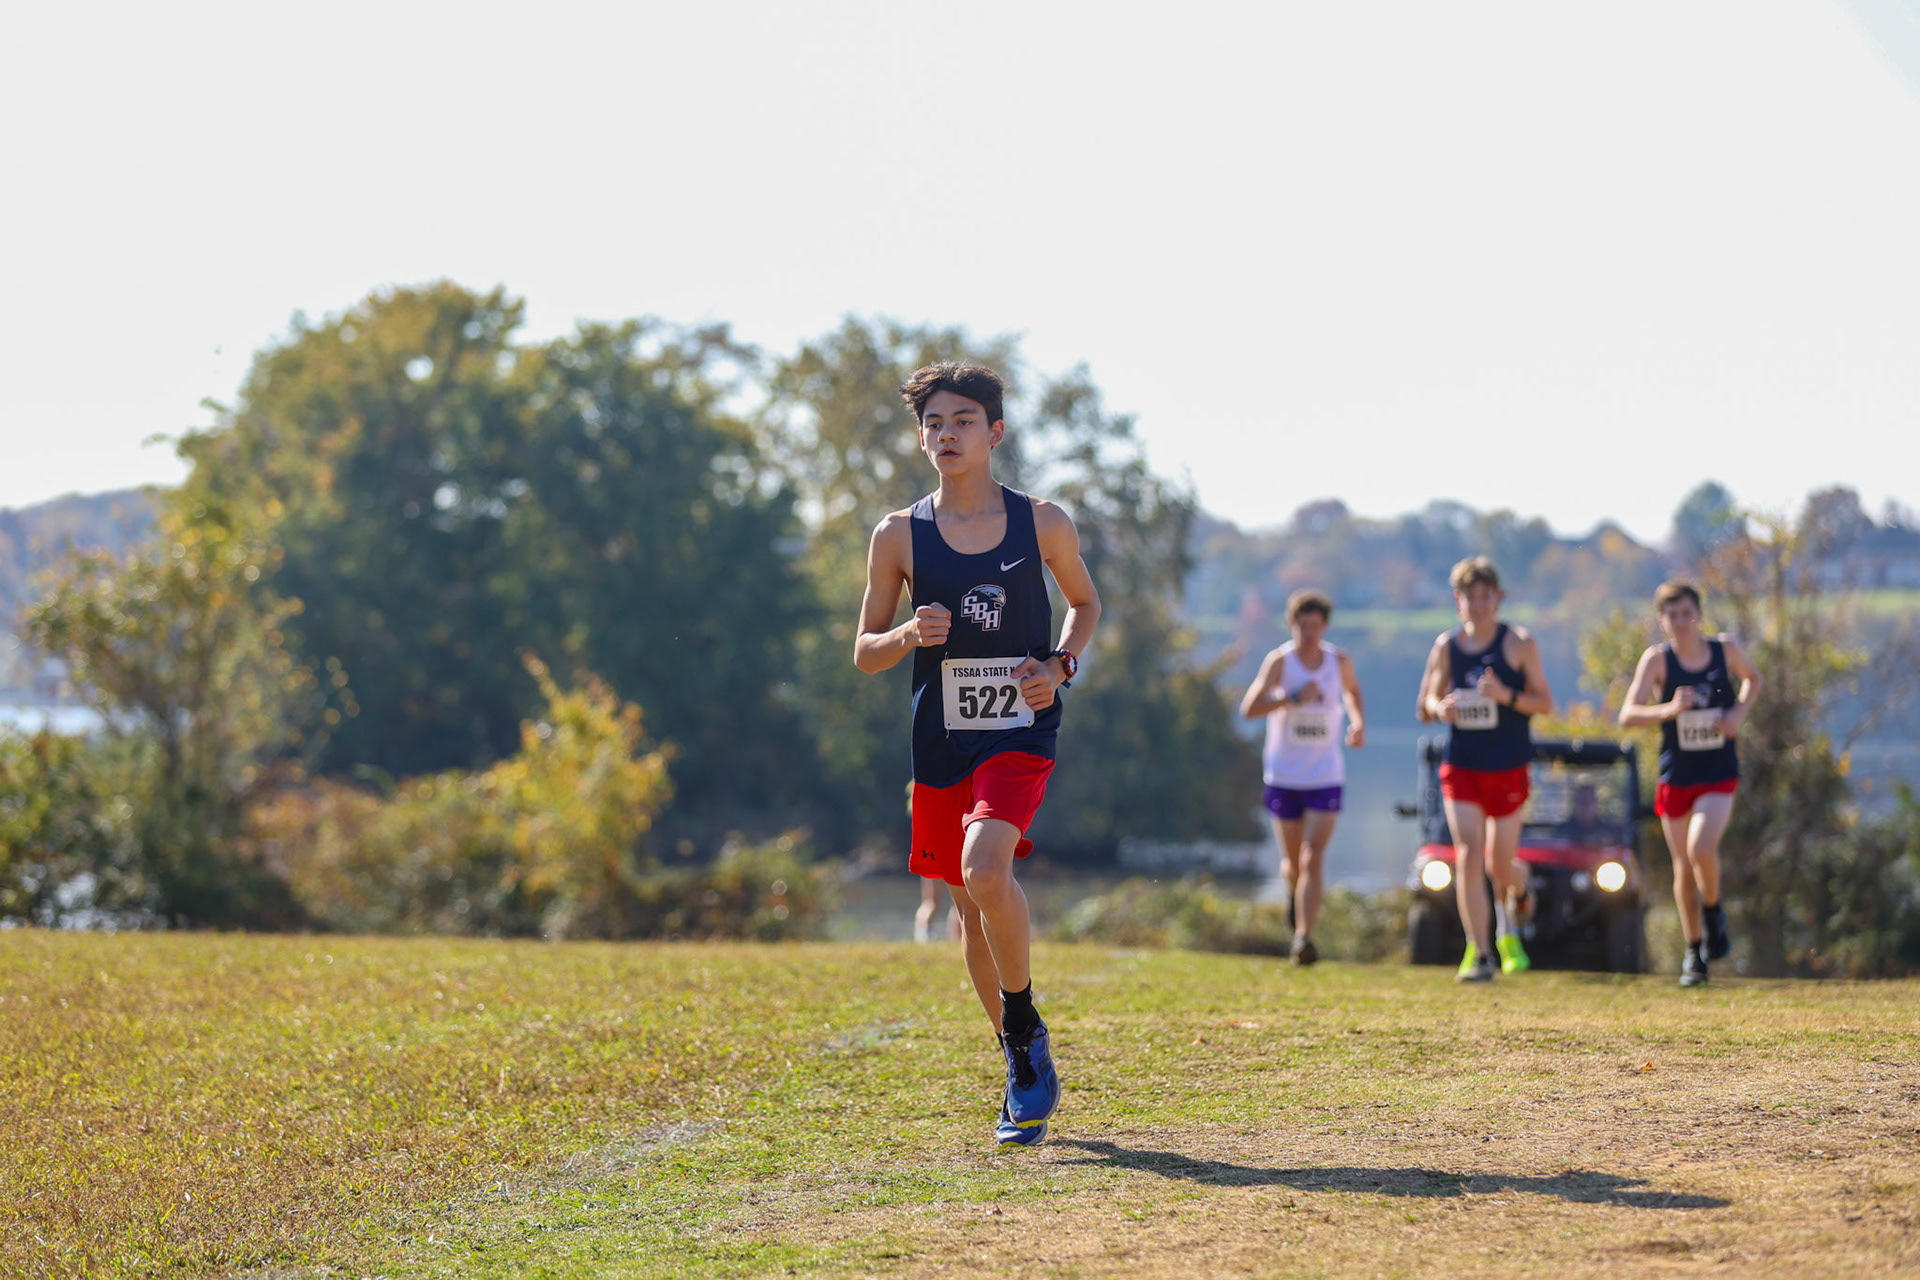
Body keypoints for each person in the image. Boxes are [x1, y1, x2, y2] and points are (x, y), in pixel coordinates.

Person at [854, 361, 1101, 1149]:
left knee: (986, 869)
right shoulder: (899, 534)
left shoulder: (1043, 523)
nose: (945, 435)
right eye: (933, 424)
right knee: (968, 917)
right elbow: (864, 650)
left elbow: (1086, 604)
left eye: (962, 421)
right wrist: (905, 636)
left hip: (1021, 729)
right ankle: (1022, 1061)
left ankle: (1024, 1028)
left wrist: (1059, 665)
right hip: (941, 740)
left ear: (995, 433)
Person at [1415, 556, 1554, 982]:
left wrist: (1504, 695)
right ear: (1458, 601)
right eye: (1469, 597)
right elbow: (1423, 706)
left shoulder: (1519, 643)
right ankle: (1480, 952)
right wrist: (1443, 708)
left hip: (1507, 766)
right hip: (1462, 767)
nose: (1477, 605)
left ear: (1498, 599)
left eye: (1485, 597)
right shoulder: (1446, 647)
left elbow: (1544, 704)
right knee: (1469, 855)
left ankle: (1520, 882)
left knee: (1499, 866)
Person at [1617, 581, 1761, 987]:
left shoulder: (1724, 650)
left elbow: (1754, 678)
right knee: (1683, 865)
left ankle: (1713, 910)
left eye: (1686, 613)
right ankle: (1694, 951)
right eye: (1671, 615)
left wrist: (1737, 713)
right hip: (1676, 774)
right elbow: (1627, 715)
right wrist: (1669, 709)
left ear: (1698, 615)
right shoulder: (1657, 660)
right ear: (1662, 621)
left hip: (1717, 771)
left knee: (1701, 849)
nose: (1680, 622)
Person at [1238, 589, 1366, 965]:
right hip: (1284, 775)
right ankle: (1296, 902)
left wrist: (1357, 724)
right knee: (1294, 864)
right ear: (1291, 625)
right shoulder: (1280, 662)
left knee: (1313, 858)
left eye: (1315, 626)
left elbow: (1354, 693)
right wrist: (1291, 698)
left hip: (1325, 776)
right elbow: (1249, 709)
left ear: (1324, 626)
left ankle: (1303, 939)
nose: (1309, 633)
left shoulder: (1338, 662)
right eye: (1302, 625)